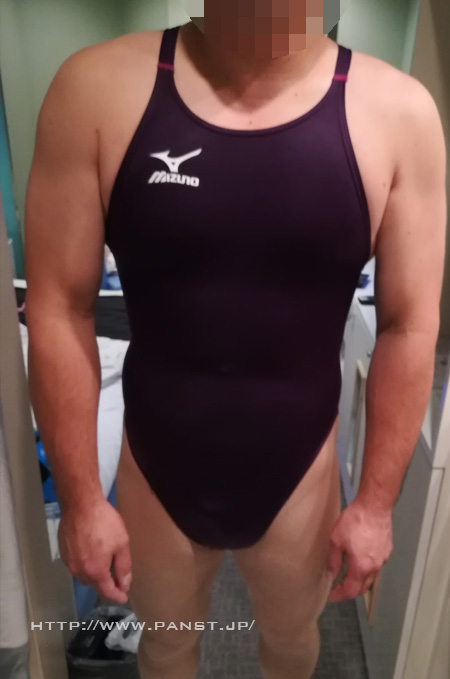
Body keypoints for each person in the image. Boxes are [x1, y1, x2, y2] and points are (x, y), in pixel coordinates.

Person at [24, 2, 446, 678]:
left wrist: (374, 506)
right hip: (156, 461)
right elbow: (56, 307)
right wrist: (79, 501)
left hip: (300, 470)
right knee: (165, 647)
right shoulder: (97, 90)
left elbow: (409, 324)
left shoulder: (399, 115)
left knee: (290, 645)